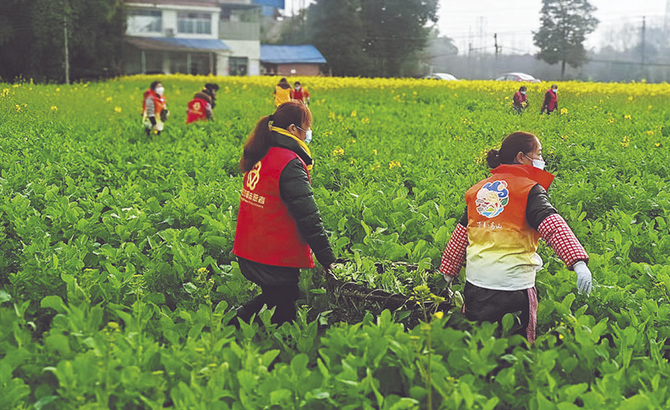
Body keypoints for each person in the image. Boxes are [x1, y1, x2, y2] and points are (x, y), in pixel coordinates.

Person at [438, 132, 592, 343]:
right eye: (538, 154)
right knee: (517, 349)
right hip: (514, 290)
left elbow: (461, 234)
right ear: (521, 157)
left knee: (478, 344)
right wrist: (578, 262)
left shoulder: (478, 191)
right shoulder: (528, 190)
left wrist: (447, 274)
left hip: (476, 287)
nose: (542, 160)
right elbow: (552, 224)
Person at [233, 101, 335, 325]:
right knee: (283, 311)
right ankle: (233, 327)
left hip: (251, 248)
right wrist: (328, 260)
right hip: (270, 255)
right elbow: (309, 217)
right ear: (292, 130)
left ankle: (234, 326)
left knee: (280, 299)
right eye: (305, 127)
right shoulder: (288, 163)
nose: (308, 133)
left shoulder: (263, 152)